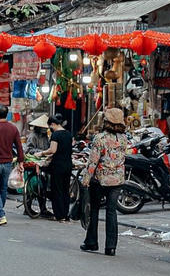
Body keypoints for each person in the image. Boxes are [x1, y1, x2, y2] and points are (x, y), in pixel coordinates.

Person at [81, 108, 128, 256]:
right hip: (117, 179)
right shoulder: (123, 139)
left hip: (100, 180)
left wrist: (86, 179)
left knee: (94, 210)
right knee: (111, 212)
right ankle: (111, 247)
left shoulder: (99, 138)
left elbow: (93, 161)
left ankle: (91, 242)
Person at [40, 114, 75, 223]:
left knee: (57, 190)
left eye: (51, 126)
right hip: (68, 164)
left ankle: (59, 215)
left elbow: (53, 150)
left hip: (58, 166)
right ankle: (65, 214)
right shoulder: (69, 134)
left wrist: (41, 153)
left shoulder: (56, 135)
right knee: (65, 190)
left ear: (53, 124)